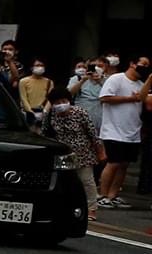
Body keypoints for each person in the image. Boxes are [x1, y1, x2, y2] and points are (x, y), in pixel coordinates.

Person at [39, 82, 104, 213]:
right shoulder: (50, 116)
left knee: (87, 181)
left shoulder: (80, 113)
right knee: (64, 182)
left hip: (83, 153)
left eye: (63, 101)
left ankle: (91, 208)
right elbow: (45, 134)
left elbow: (92, 134)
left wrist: (100, 151)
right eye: (57, 102)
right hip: (64, 155)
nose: (61, 104)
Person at [97, 56, 147, 207]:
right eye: (142, 64)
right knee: (113, 162)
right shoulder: (116, 79)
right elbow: (105, 98)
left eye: (147, 65)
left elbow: (143, 101)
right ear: (132, 63)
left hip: (132, 131)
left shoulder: (141, 84)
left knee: (124, 164)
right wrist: (129, 99)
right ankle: (103, 195)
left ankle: (113, 195)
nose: (144, 67)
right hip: (113, 129)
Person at [71, 58, 107, 123]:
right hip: (81, 118)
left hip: (101, 118)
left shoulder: (108, 80)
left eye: (99, 66)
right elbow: (70, 93)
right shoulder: (77, 78)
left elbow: (111, 95)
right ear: (87, 67)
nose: (96, 68)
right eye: (92, 66)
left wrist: (99, 81)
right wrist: (83, 80)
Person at [17, 60, 51, 126]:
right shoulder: (23, 81)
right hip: (28, 112)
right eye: (37, 65)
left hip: (43, 112)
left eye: (42, 65)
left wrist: (45, 111)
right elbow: (23, 98)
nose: (40, 67)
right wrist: (30, 112)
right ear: (31, 68)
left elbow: (50, 99)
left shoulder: (49, 82)